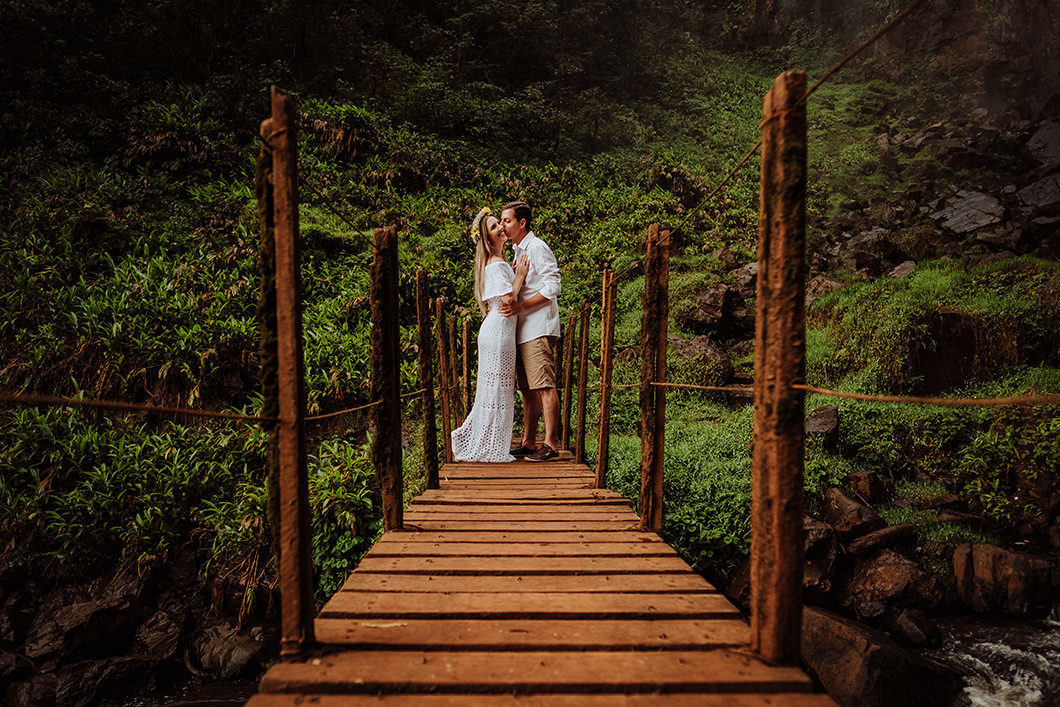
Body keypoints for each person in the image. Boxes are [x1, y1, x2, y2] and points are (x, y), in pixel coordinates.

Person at [450, 207, 529, 462]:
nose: (502, 228)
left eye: (500, 224)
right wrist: (520, 276)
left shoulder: (497, 261)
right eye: (495, 227)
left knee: (496, 389)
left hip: (500, 330)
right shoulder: (495, 265)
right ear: (488, 238)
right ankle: (491, 445)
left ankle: (491, 441)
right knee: (497, 389)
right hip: (498, 331)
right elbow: (508, 298)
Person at [497, 201, 562, 462]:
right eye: (501, 221)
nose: (503, 225)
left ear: (522, 223)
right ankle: (528, 441)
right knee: (527, 389)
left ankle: (551, 444)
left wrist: (521, 306)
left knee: (544, 385)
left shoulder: (537, 247)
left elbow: (552, 285)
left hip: (538, 327)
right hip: (523, 329)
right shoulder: (517, 250)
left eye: (507, 221)